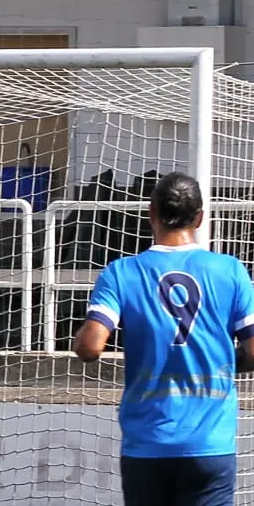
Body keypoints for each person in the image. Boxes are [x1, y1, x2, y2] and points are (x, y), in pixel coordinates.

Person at [73, 171, 254, 506]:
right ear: (200, 217)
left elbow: (90, 346)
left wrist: (81, 335)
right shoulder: (230, 270)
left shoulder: (122, 272)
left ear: (150, 213)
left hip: (148, 445)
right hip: (210, 445)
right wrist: (230, 361)